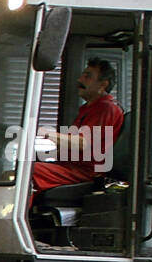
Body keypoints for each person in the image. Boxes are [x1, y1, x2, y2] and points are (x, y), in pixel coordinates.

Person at [30, 58, 125, 204]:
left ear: (103, 84)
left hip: (86, 172)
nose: (80, 79)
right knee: (25, 165)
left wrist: (43, 132)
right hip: (71, 167)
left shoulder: (107, 109)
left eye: (87, 76)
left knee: (28, 172)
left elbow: (84, 143)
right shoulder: (88, 109)